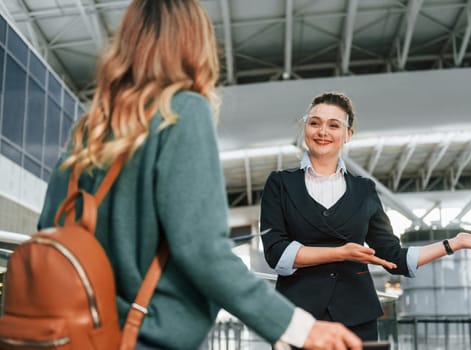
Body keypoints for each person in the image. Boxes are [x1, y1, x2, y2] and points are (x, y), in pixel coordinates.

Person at [36, 2, 362, 350]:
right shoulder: (182, 112)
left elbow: (49, 230)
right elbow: (202, 249)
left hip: (77, 335)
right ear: (196, 43)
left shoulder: (91, 128)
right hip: (143, 336)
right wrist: (298, 327)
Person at [260, 91, 471, 343]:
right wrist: (340, 253)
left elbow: (392, 255)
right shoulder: (280, 184)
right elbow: (276, 253)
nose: (323, 131)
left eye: (334, 125)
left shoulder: (365, 189)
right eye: (315, 123)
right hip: (299, 317)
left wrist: (452, 244)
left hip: (357, 316)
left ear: (348, 135)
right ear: (306, 128)